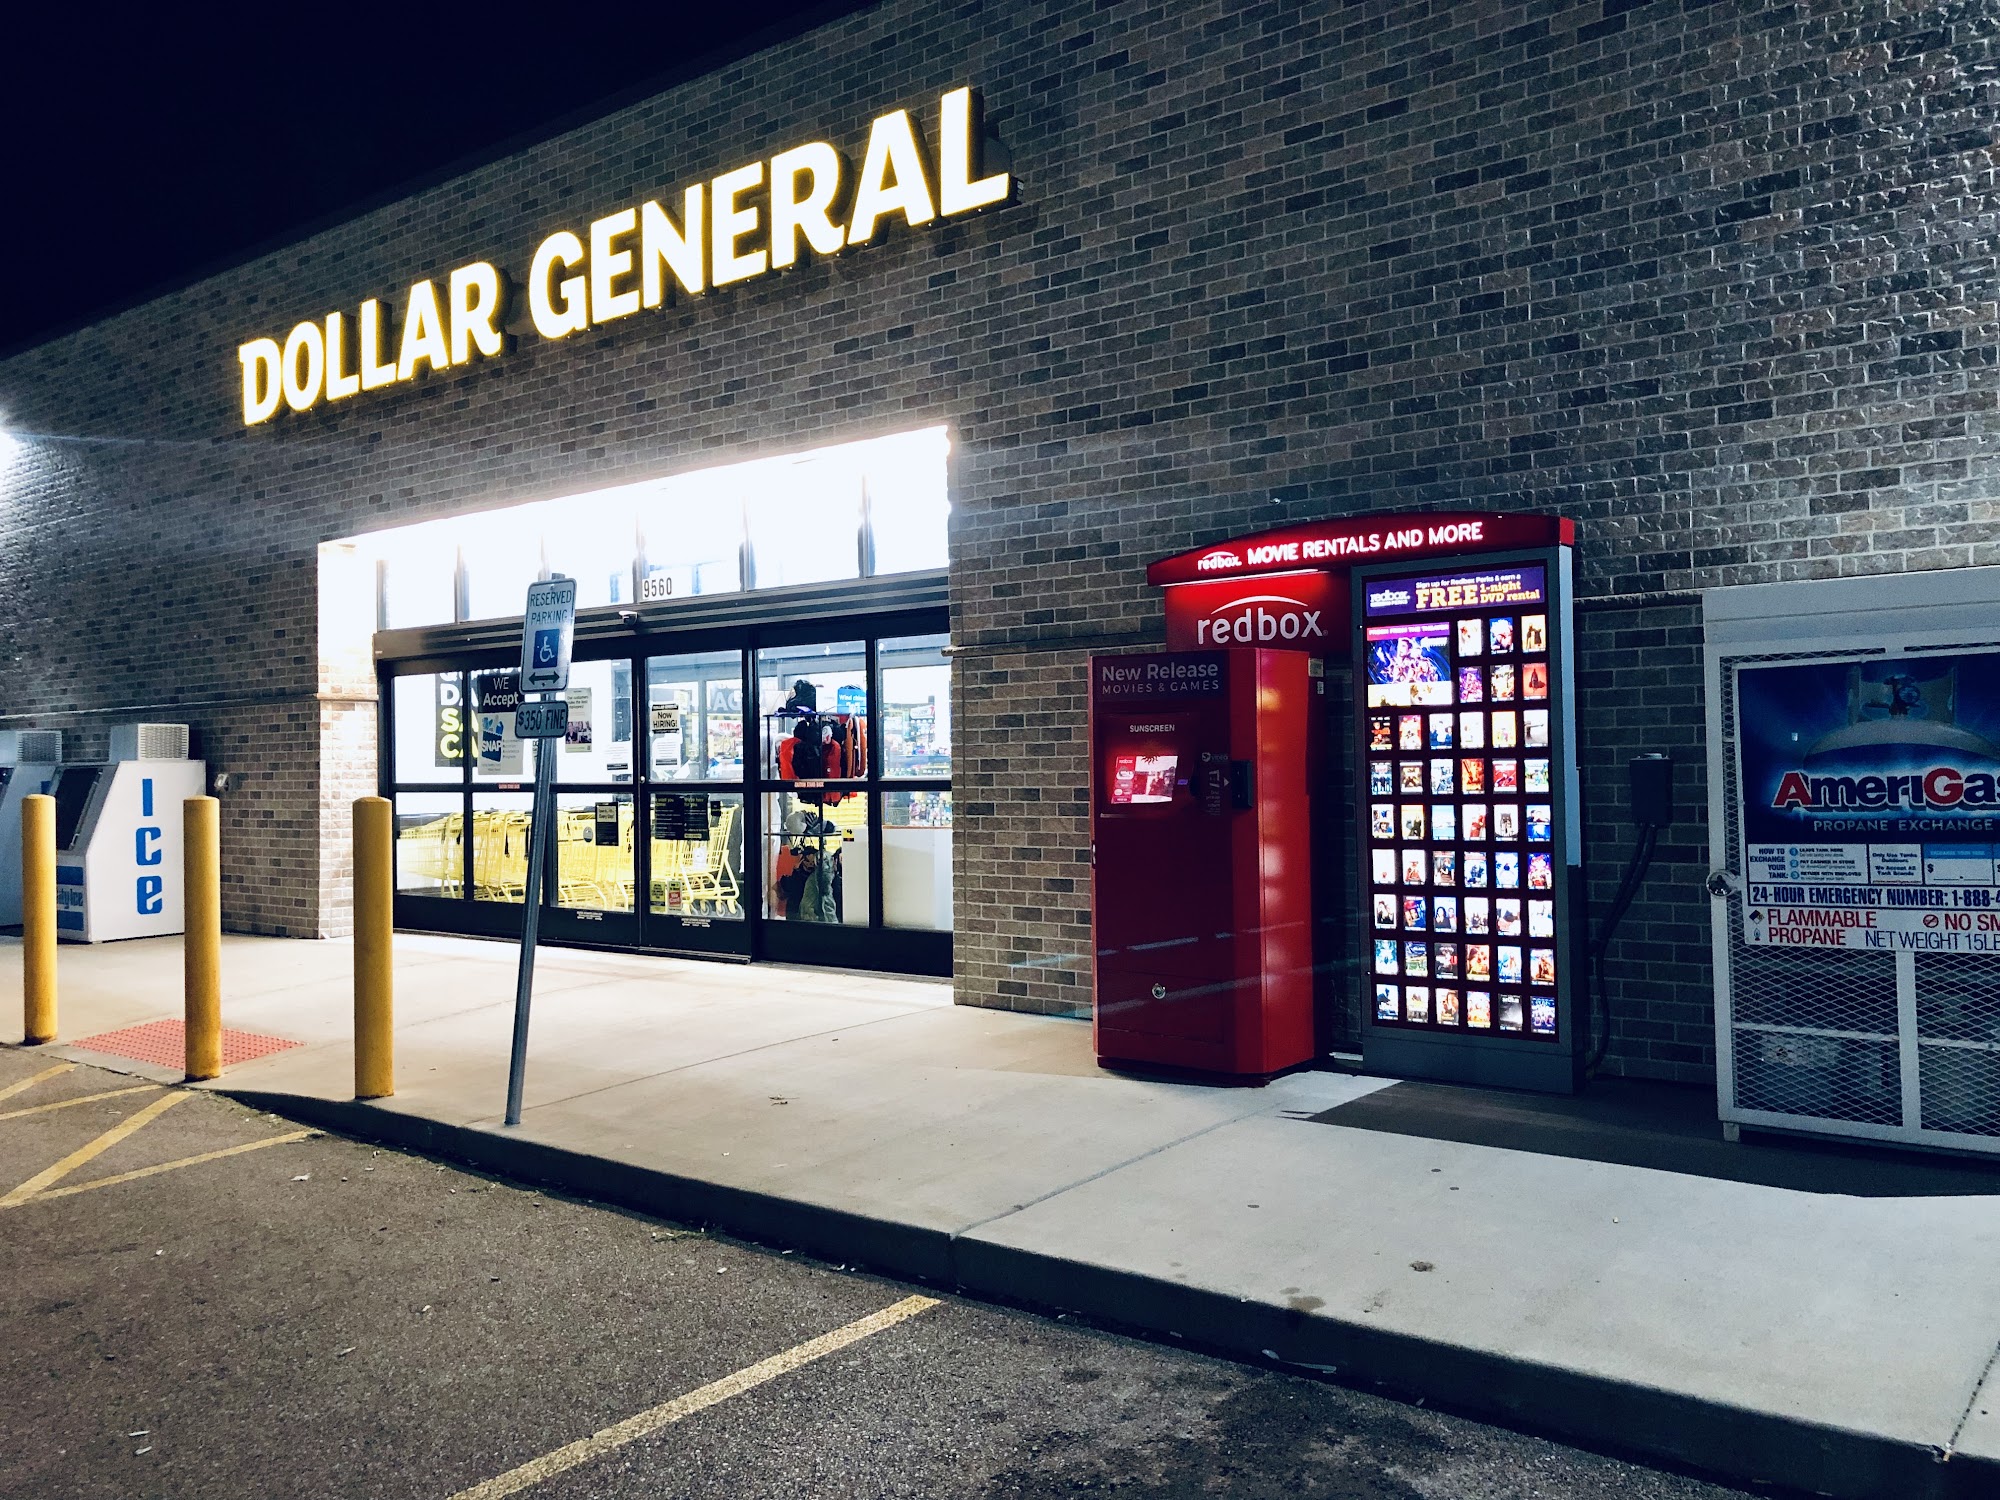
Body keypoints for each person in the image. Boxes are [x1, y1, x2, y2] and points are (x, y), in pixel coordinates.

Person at [777, 843, 838, 922]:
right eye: (807, 861)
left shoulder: (818, 877)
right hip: (795, 914)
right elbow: (787, 887)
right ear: (802, 860)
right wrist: (796, 872)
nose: (810, 864)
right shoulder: (797, 875)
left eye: (813, 861)